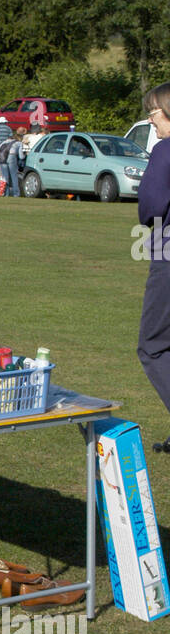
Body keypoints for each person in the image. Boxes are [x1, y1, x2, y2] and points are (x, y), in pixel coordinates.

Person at [135, 83, 170, 423]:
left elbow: (151, 206)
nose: (150, 121)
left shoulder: (165, 151)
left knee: (153, 346)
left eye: (153, 113)